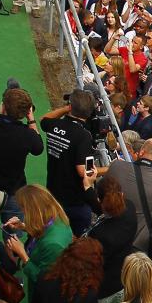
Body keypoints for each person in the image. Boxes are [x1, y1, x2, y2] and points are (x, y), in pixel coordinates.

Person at [0, 86, 44, 229]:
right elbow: (38, 148)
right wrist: (31, 120)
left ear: (3, 106)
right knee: (13, 231)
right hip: (13, 191)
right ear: (26, 112)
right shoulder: (27, 136)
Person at [82, 174, 138, 303]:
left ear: (101, 201)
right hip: (120, 279)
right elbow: (107, 210)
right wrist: (88, 189)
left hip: (103, 286)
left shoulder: (101, 236)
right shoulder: (129, 209)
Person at [3, 183, 73, 302]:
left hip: (47, 300)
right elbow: (44, 230)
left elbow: (45, 280)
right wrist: (23, 226)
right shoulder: (56, 217)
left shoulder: (53, 244)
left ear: (33, 210)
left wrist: (23, 255)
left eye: (23, 208)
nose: (22, 212)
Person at [40, 88, 96, 235]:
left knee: (49, 233)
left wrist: (66, 109)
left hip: (53, 192)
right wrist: (108, 168)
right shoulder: (84, 136)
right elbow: (85, 171)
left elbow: (43, 119)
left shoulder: (54, 125)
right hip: (75, 201)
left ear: (70, 107)